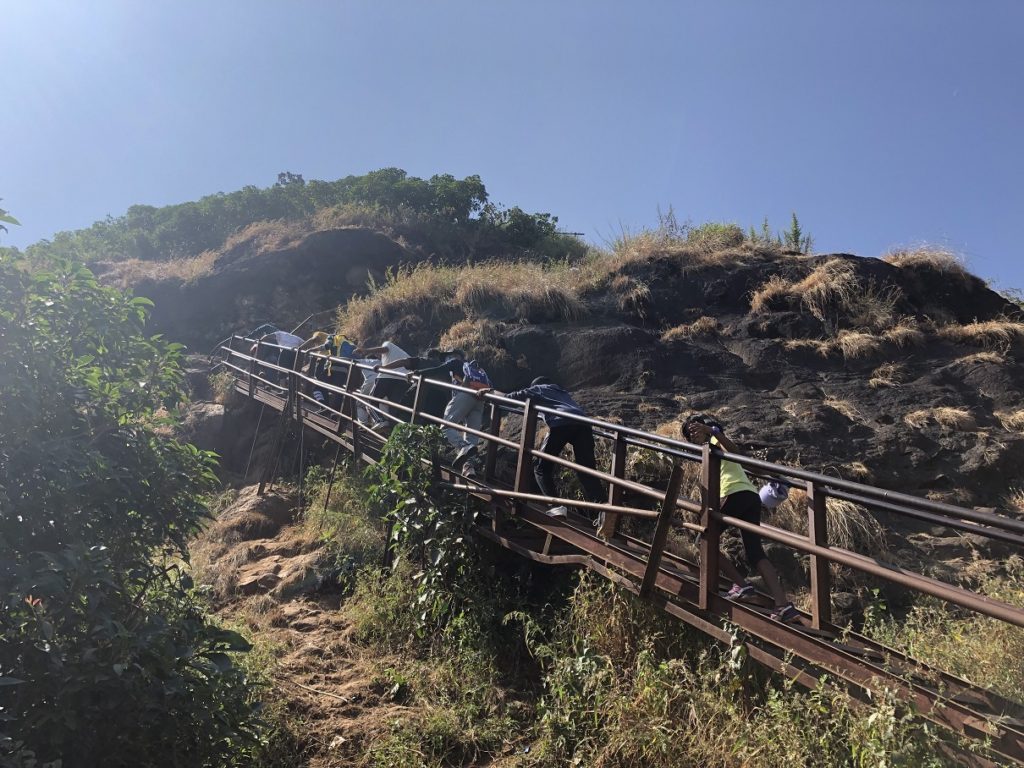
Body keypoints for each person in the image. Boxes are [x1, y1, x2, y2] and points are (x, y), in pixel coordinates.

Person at [681, 414, 798, 623]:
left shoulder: (714, 439)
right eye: (690, 435)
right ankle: (783, 606)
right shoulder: (708, 447)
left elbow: (733, 451)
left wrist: (712, 432)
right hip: (750, 497)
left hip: (734, 494)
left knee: (704, 541)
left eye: (694, 431)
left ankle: (742, 586)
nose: (694, 437)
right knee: (755, 553)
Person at [485, 377, 604, 518]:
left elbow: (509, 398)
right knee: (586, 470)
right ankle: (603, 509)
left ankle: (556, 506)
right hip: (583, 423)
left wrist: (490, 392)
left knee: (541, 468)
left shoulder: (539, 389)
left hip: (561, 422)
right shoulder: (562, 393)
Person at [352, 341, 414, 424]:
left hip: (386, 378)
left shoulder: (388, 344)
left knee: (371, 402)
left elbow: (384, 349)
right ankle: (393, 427)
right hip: (402, 380)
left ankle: (379, 422)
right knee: (395, 407)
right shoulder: (403, 354)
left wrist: (367, 351)